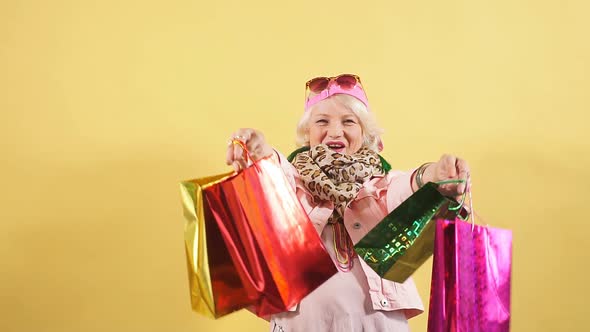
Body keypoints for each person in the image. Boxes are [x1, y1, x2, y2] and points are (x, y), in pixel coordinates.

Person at [225, 74, 470, 332]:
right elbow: (275, 176)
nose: (335, 131)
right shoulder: (294, 183)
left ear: (364, 134)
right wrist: (258, 151)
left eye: (348, 121)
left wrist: (432, 175)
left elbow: (404, 189)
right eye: (322, 121)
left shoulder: (380, 185)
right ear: (308, 133)